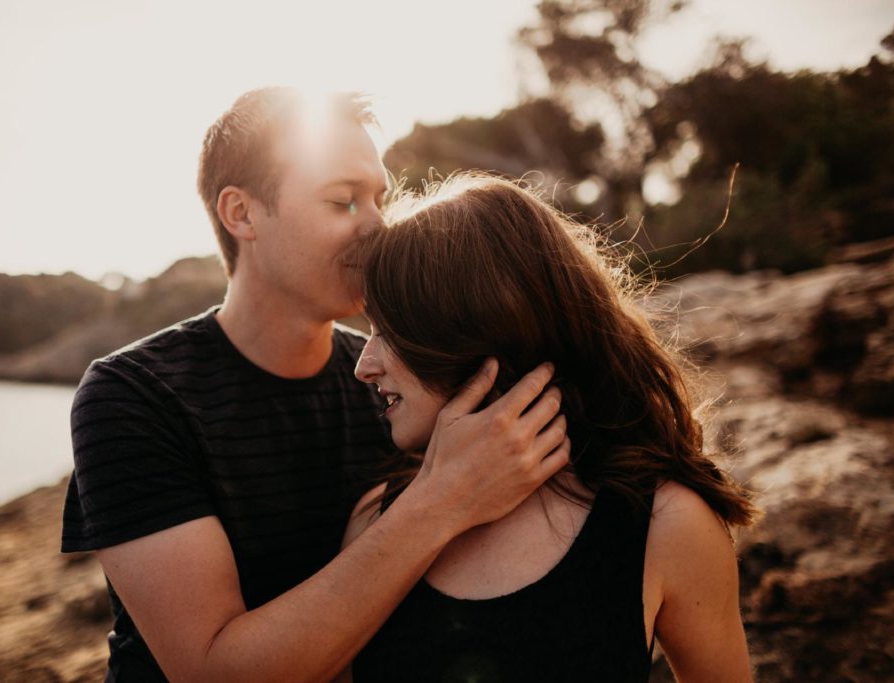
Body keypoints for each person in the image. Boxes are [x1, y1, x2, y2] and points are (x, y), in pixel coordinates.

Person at [60, 89, 570, 682]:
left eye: (379, 198)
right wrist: (443, 499)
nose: (378, 226)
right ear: (241, 214)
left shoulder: (400, 384)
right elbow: (212, 672)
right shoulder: (133, 395)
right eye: (343, 200)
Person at [340, 173, 759, 682]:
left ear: (473, 330)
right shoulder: (375, 519)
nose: (364, 366)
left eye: (389, 331)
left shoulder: (666, 524)